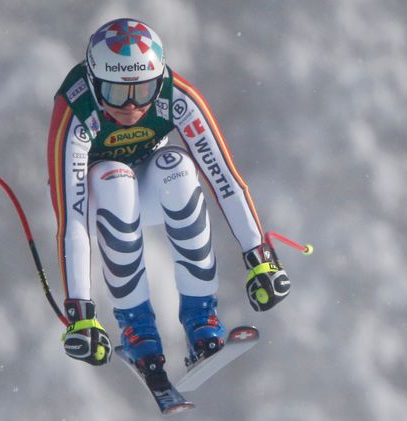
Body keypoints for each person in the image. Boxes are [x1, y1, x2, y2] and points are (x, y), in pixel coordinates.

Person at [47, 18, 291, 387]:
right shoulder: (76, 109)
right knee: (116, 179)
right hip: (100, 198)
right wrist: (81, 311)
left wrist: (261, 259)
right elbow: (72, 222)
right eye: (115, 93)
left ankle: (202, 321)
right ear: (94, 85)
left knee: (176, 165)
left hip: (150, 187)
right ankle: (138, 332)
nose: (130, 106)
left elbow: (224, 179)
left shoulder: (177, 97)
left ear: (159, 82)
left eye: (143, 91)